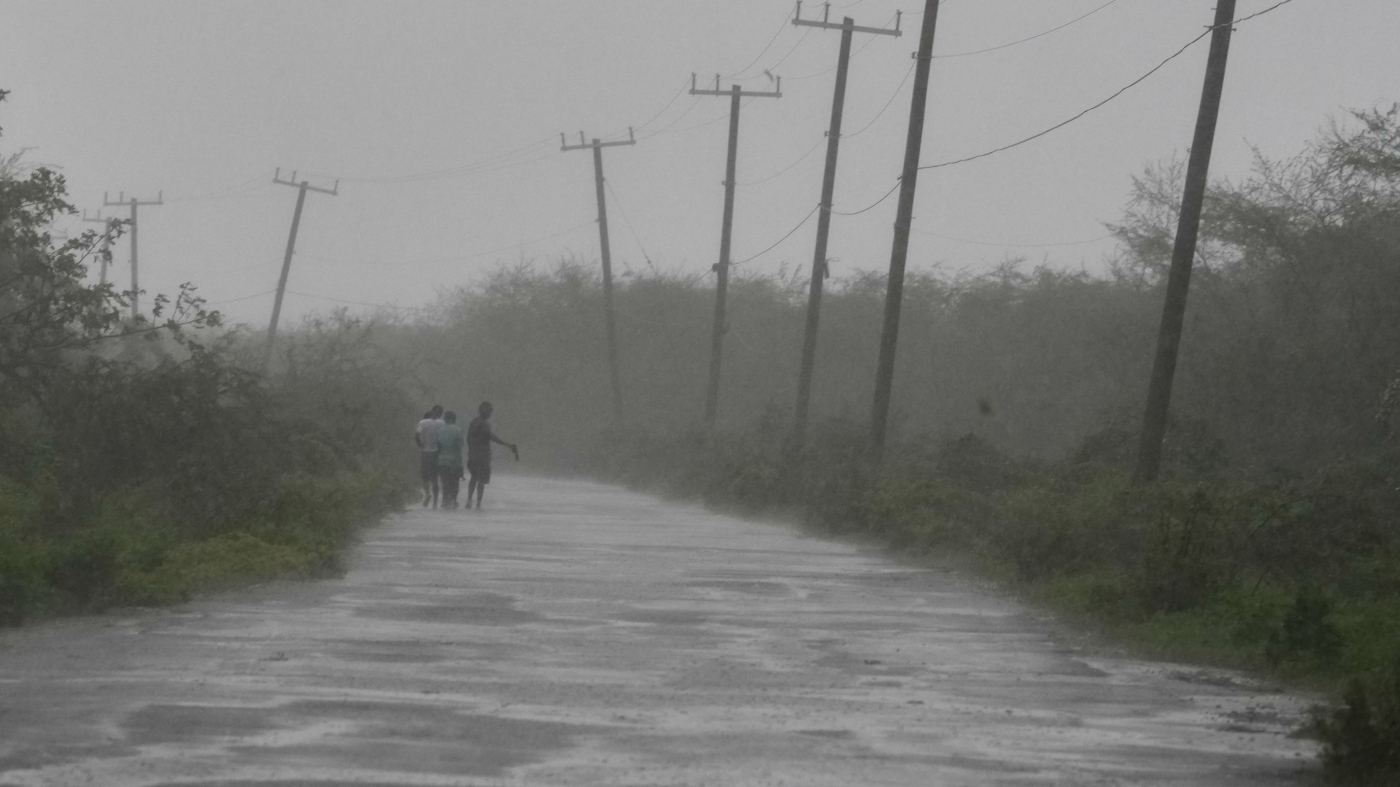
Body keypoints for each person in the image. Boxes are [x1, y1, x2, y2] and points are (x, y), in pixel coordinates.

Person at [466, 401, 518, 511]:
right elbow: (491, 437)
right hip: (483, 456)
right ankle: (478, 504)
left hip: (473, 455)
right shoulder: (484, 424)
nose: (490, 413)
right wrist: (507, 444)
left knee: (474, 478)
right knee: (481, 480)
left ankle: (469, 500)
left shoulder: (473, 422)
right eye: (489, 411)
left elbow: (469, 439)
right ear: (483, 411)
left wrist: (472, 451)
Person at [414, 405, 445, 508]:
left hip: (425, 453)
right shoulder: (442, 423)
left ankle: (427, 494)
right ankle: (435, 502)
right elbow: (444, 437)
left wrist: (420, 445)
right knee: (434, 479)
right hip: (436, 453)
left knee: (425, 477)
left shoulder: (423, 422)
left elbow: (416, 435)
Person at [436, 410, 465, 510]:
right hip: (454, 460)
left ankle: (444, 500)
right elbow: (459, 446)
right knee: (455, 482)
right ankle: (453, 500)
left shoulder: (439, 430)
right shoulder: (458, 430)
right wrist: (459, 463)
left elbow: (437, 447)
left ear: (445, 419)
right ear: (454, 419)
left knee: (445, 481)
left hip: (442, 460)